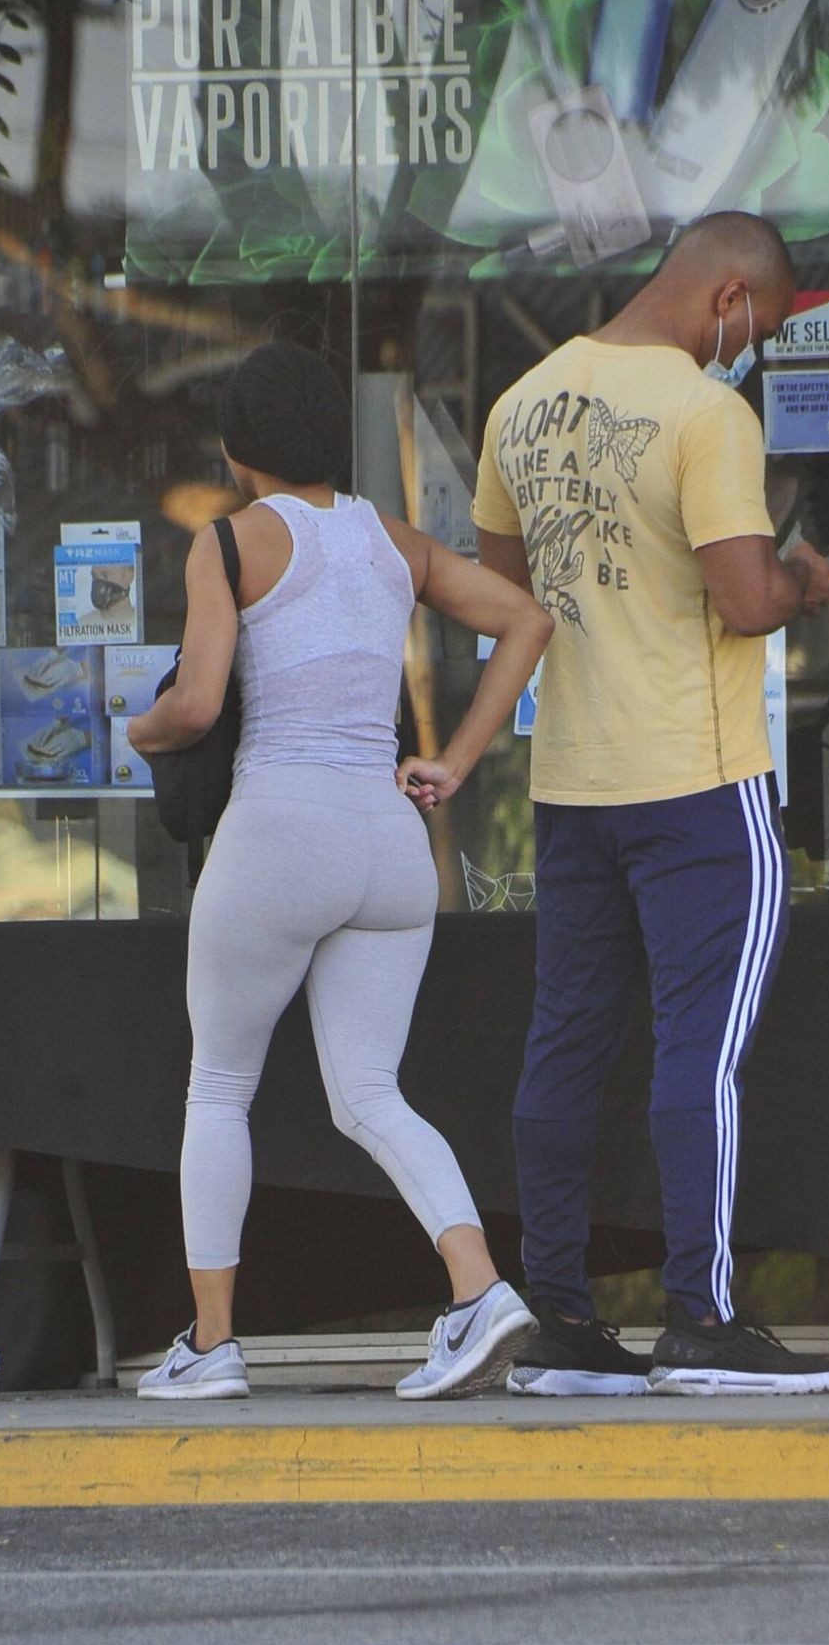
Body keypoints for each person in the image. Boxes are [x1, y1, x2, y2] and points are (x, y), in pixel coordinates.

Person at [466, 212, 829, 1396]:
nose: (752, 348)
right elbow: (741, 600)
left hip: (572, 783)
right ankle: (702, 1318)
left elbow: (503, 597)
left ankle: (561, 1324)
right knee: (700, 1051)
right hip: (696, 780)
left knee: (565, 1046)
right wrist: (800, 580)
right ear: (725, 297)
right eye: (759, 325)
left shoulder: (519, 404)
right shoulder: (703, 412)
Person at [129, 342, 553, 1401]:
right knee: (369, 1093)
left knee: (220, 1087)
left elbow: (195, 704)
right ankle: (478, 1288)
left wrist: (136, 728)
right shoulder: (390, 540)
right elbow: (526, 617)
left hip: (280, 830)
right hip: (387, 840)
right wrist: (453, 762)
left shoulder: (230, 543)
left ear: (237, 452)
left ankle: (211, 1347)